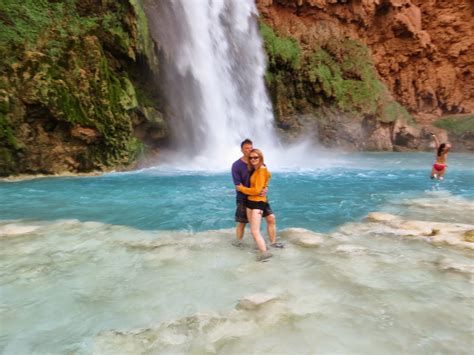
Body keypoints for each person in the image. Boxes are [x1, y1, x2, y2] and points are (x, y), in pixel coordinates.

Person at [231, 140, 282, 252]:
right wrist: (255, 190)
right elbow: (238, 186)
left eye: (250, 148)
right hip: (244, 198)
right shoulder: (237, 165)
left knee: (271, 218)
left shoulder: (259, 164)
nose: (249, 150)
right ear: (241, 150)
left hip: (259, 198)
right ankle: (239, 243)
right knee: (242, 222)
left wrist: (266, 187)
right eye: (246, 148)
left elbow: (265, 177)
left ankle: (273, 243)